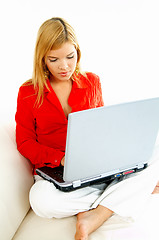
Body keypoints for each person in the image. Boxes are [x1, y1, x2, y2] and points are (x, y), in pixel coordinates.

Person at [15, 17, 159, 240]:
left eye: (70, 57)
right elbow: (25, 143)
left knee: (154, 153)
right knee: (41, 201)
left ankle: (98, 213)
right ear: (42, 59)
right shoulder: (28, 92)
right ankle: (120, 195)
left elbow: (102, 128)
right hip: (56, 173)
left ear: (78, 53)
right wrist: (60, 159)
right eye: (54, 59)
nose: (64, 66)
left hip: (95, 168)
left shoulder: (92, 82)